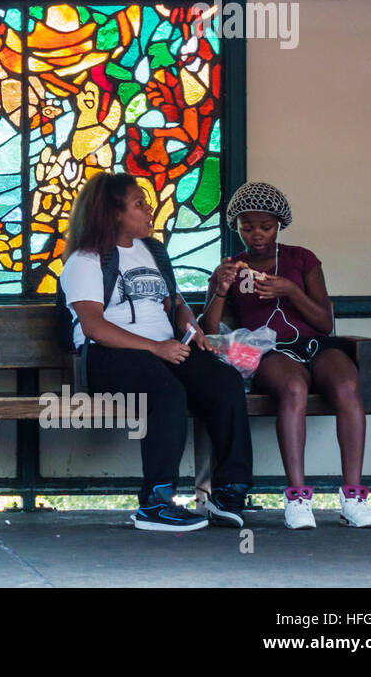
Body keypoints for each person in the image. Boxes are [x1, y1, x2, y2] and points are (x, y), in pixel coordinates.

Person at [60, 171, 253, 531]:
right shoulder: (85, 260)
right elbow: (93, 326)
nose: (149, 210)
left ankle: (227, 492)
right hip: (107, 356)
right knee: (167, 393)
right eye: (139, 204)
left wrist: (190, 328)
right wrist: (156, 348)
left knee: (224, 381)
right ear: (114, 213)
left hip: (165, 349)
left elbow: (175, 304)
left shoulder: (153, 252)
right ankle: (156, 504)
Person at [199, 182, 371, 530]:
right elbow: (209, 329)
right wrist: (221, 288)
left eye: (265, 226)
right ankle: (297, 497)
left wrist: (290, 291)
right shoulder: (231, 267)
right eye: (247, 226)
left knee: (346, 385)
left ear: (279, 224)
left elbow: (324, 323)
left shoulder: (302, 259)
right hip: (269, 352)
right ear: (235, 225)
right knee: (294, 388)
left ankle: (354, 498)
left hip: (315, 346)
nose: (257, 234)